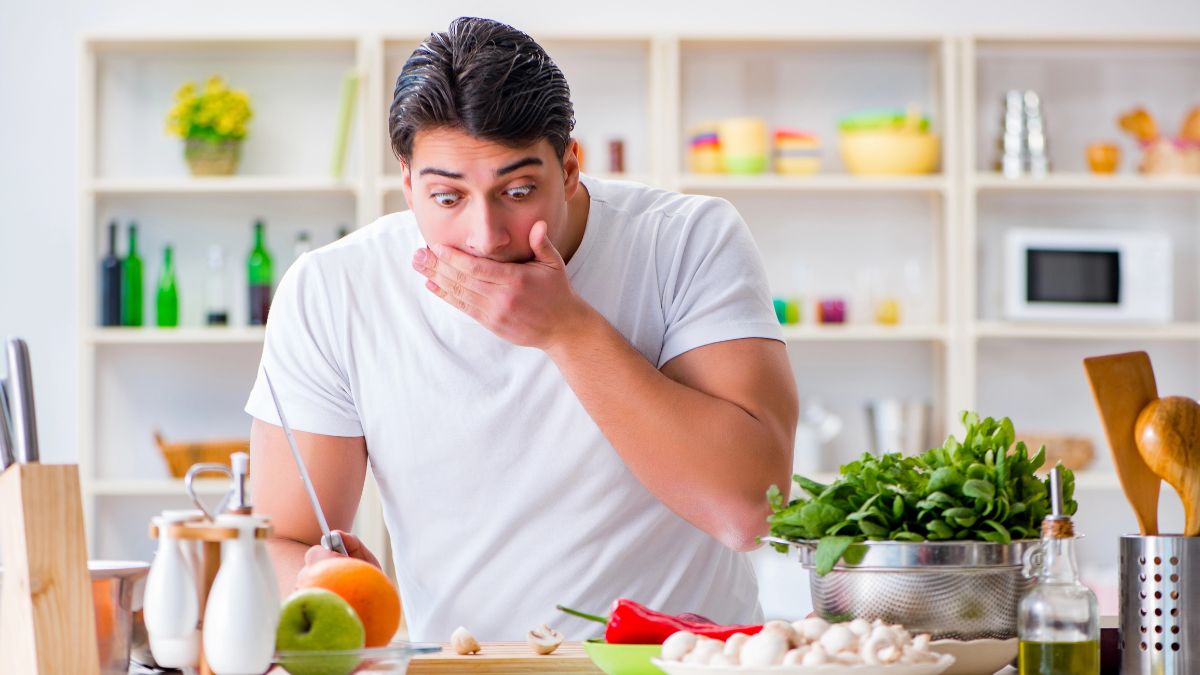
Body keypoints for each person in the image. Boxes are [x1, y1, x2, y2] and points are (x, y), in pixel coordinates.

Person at [245, 16, 798, 642]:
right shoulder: (332, 290)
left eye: (519, 189)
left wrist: (567, 330)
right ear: (407, 183)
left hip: (684, 663)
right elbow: (283, 541)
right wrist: (326, 584)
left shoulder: (687, 242)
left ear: (569, 168)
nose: (485, 235)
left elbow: (751, 510)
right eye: (448, 198)